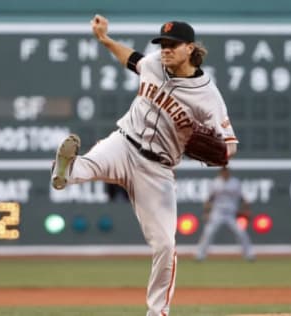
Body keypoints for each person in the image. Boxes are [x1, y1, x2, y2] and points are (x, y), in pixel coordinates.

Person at [51, 14, 238, 316]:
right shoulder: (153, 63)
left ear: (190, 48)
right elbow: (131, 58)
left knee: (165, 245)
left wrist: (221, 152)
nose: (165, 49)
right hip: (125, 142)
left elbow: (230, 144)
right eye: (162, 44)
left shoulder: (208, 96)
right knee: (90, 165)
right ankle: (65, 170)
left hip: (157, 170)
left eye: (172, 44)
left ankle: (157, 312)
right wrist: (105, 40)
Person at [196, 166, 255, 261]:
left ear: (229, 172)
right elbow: (209, 199)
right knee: (208, 233)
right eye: (223, 171)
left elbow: (242, 198)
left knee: (241, 233)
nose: (225, 173)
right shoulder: (215, 183)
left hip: (231, 213)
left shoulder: (235, 183)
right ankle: (200, 255)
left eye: (226, 171)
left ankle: (249, 255)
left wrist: (246, 209)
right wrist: (206, 212)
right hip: (217, 213)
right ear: (220, 172)